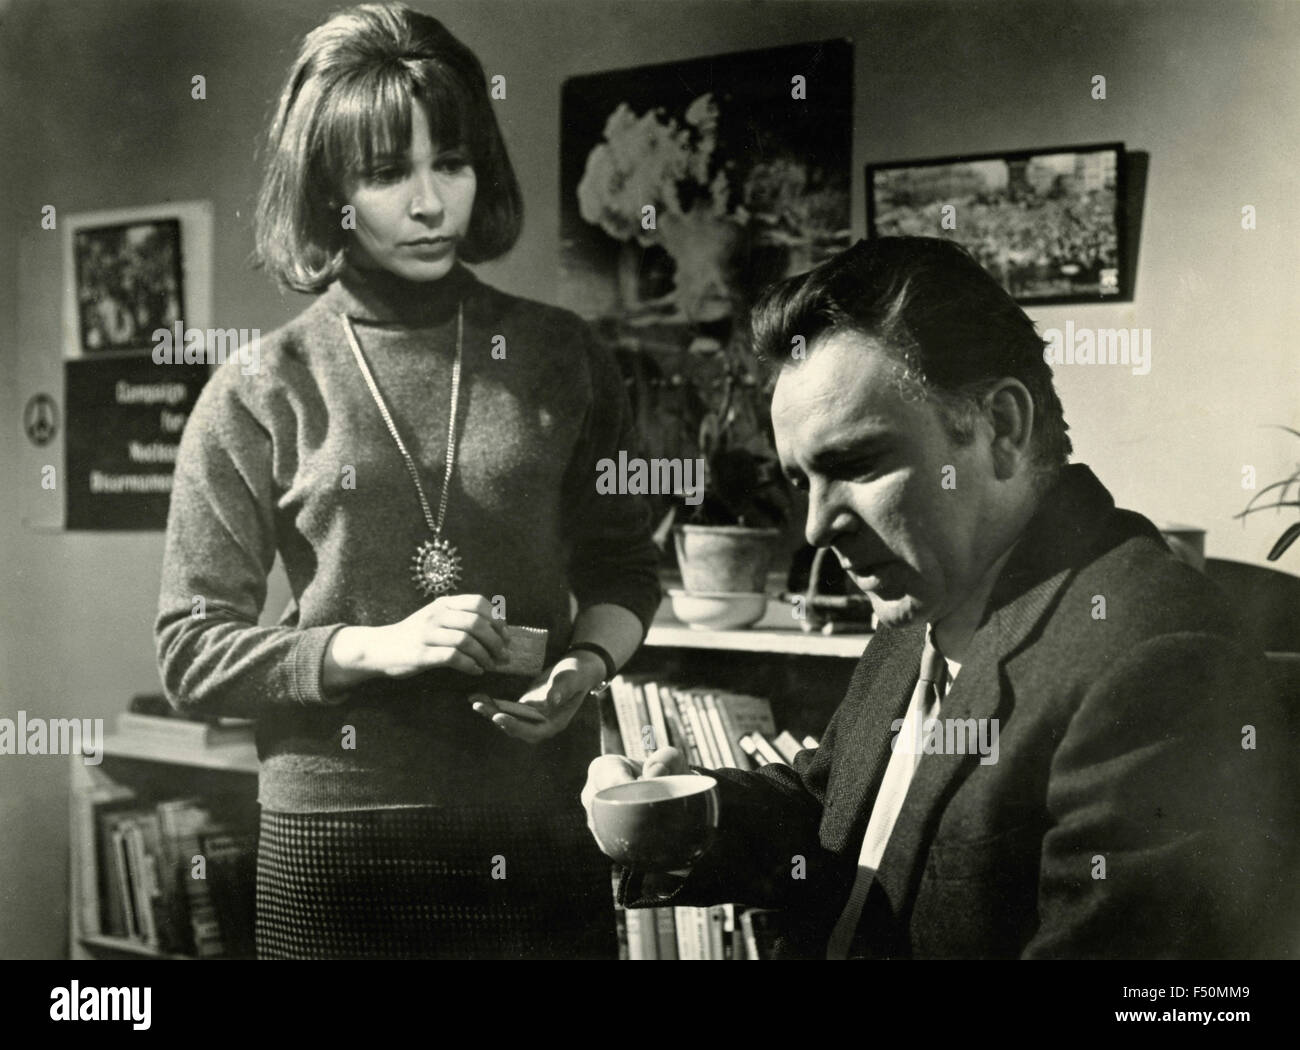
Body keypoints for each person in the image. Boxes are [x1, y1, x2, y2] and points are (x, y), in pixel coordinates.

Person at [583, 236, 1295, 959]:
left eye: (856, 463)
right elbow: (841, 814)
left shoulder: (1156, 656)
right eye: (803, 482)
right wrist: (690, 812)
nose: (816, 526)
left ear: (1004, 430)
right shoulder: (924, 596)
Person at [156, 2, 661, 959]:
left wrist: (582, 669)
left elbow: (625, 570)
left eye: (453, 163)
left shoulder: (562, 355)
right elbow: (190, 651)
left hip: (535, 830)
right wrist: (374, 647)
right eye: (388, 174)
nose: (431, 204)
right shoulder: (262, 386)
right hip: (337, 851)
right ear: (326, 191)